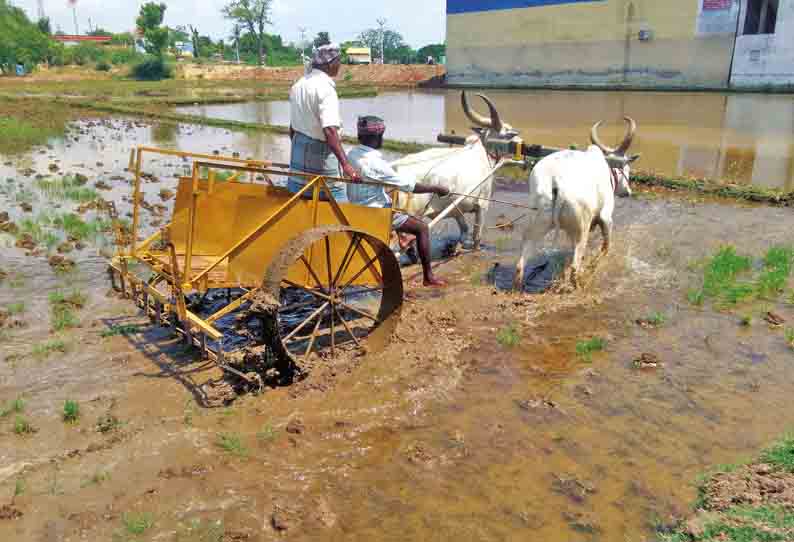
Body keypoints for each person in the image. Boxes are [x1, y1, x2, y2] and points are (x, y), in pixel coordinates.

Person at [348, 116, 449, 287]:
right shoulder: (376, 163)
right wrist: (436, 189)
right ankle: (428, 277)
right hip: (377, 213)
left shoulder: (351, 154)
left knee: (393, 201)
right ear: (377, 137)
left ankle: (403, 240)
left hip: (356, 209)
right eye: (381, 135)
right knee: (422, 228)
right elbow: (409, 186)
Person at [287, 43, 360, 201]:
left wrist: (299, 147)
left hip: (298, 155)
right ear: (331, 63)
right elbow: (330, 131)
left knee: (300, 200)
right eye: (339, 61)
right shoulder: (325, 89)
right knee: (340, 205)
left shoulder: (298, 85)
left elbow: (292, 128)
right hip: (321, 159)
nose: (340, 65)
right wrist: (346, 165)